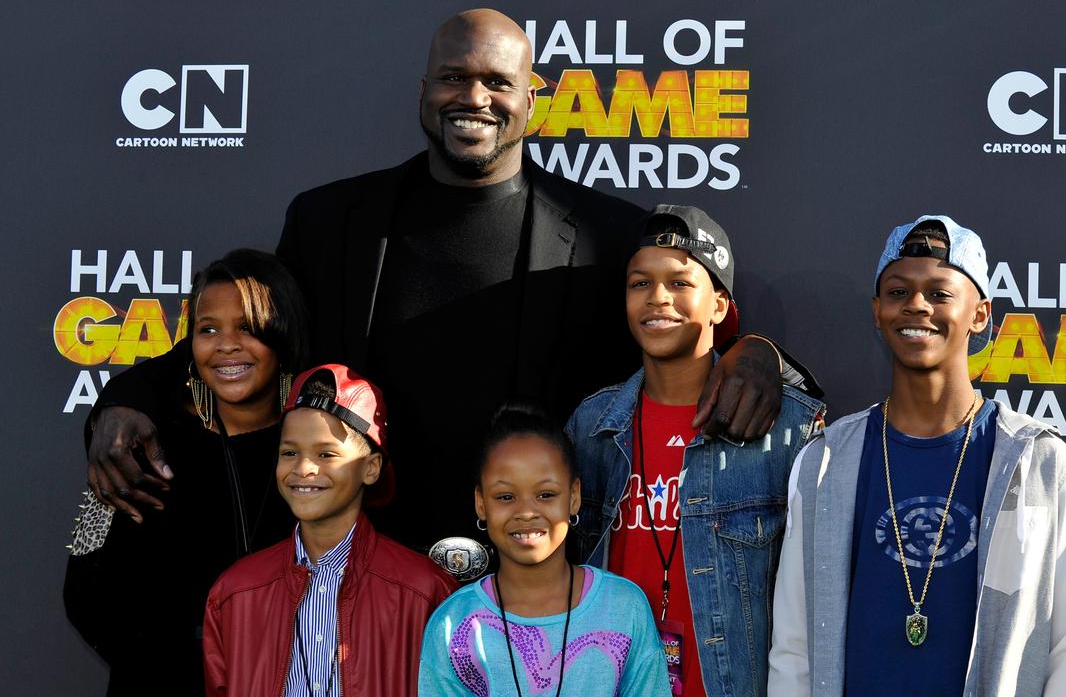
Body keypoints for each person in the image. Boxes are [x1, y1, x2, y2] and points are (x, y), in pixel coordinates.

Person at [83, 7, 813, 552]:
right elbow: (241, 350)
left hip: (534, 589)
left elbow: (687, 361)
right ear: (424, 88)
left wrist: (761, 355)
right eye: (455, 77)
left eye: (498, 81)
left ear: (532, 100)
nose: (475, 98)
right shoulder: (329, 221)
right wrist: (125, 395)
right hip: (358, 579)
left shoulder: (608, 234)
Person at [767, 216, 1066, 696]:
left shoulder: (1038, 462)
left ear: (980, 314)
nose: (917, 306)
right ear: (877, 310)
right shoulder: (825, 462)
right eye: (899, 292)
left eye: (940, 293)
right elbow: (794, 648)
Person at [566, 205, 825, 697]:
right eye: (640, 283)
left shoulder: (786, 425)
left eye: (680, 283)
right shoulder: (591, 425)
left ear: (719, 306)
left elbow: (817, 596)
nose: (657, 298)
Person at [63, 249, 309, 696]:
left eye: (249, 328)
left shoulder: (314, 459)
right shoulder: (144, 452)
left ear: (284, 335)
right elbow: (84, 588)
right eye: (208, 329)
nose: (226, 344)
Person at [203, 363, 456, 696]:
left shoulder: (426, 591)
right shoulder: (234, 591)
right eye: (289, 452)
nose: (304, 468)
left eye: (326, 453)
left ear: (371, 468)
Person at [419, 404, 670, 695]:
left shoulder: (625, 607)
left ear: (574, 497)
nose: (526, 512)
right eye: (506, 496)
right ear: (481, 503)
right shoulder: (453, 623)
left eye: (546, 494)